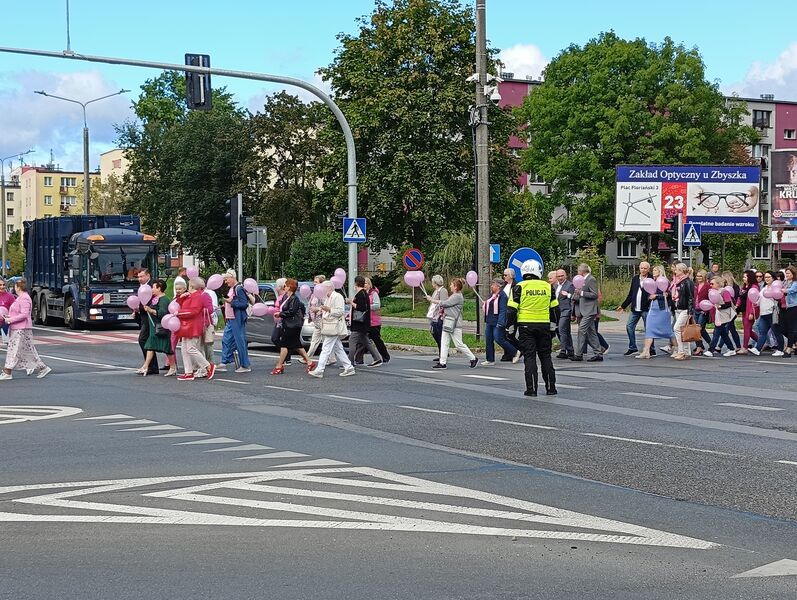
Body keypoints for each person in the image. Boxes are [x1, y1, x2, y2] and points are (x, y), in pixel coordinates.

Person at [506, 259, 559, 396]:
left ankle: (532, 389)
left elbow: (511, 310)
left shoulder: (518, 287)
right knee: (545, 356)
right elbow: (555, 309)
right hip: (544, 326)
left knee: (530, 357)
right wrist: (553, 327)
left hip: (526, 327)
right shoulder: (547, 287)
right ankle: (551, 388)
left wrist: (509, 329)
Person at [0, 279, 51, 380]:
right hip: (18, 327)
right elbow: (17, 312)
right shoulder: (20, 298)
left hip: (21, 328)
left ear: (18, 287)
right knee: (28, 350)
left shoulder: (24, 298)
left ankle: (7, 371)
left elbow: (24, 315)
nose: (14, 288)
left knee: (13, 350)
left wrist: (9, 320)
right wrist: (7, 316)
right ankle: (43, 367)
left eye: (15, 286)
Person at [308, 281, 356, 378]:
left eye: (323, 289)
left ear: (328, 288)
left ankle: (320, 370)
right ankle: (349, 367)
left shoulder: (337, 296)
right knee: (338, 348)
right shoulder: (328, 297)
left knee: (326, 348)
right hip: (330, 325)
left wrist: (328, 309)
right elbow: (327, 309)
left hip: (334, 326)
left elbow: (340, 311)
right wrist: (319, 309)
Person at [175, 277, 215, 381]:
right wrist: (181, 298)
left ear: (192, 286)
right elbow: (181, 306)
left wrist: (179, 313)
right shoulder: (192, 296)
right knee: (185, 349)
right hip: (187, 324)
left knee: (190, 348)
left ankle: (207, 366)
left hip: (193, 325)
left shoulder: (199, 296)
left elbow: (193, 311)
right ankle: (188, 372)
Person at [271, 279, 314, 374]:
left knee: (284, 345)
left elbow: (291, 311)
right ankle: (309, 362)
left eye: (285, 286)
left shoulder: (294, 298)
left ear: (289, 287)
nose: (284, 287)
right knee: (297, 345)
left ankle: (279, 365)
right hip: (289, 324)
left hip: (292, 325)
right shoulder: (287, 297)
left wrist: (280, 314)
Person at [433, 278, 477, 369]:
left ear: (456, 287)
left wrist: (432, 300)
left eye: (452, 285)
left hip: (455, 323)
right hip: (448, 321)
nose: (450, 286)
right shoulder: (454, 295)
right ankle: (442, 362)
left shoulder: (457, 296)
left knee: (458, 344)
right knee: (444, 342)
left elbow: (445, 303)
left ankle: (473, 358)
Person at [137, 280, 175, 375]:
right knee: (150, 347)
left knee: (167, 349)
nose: (151, 289)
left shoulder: (164, 299)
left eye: (153, 287)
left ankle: (173, 367)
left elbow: (163, 312)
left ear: (159, 288)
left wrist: (151, 310)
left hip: (161, 327)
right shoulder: (155, 298)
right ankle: (145, 366)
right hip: (154, 327)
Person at [635, 266, 674, 359]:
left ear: (660, 271)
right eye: (653, 270)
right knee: (649, 328)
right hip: (653, 308)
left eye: (655, 270)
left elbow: (667, 295)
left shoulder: (664, 281)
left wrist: (656, 296)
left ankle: (676, 347)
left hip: (662, 308)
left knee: (668, 330)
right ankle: (646, 351)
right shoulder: (652, 281)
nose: (653, 272)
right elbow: (648, 292)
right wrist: (650, 296)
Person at [217, 269, 252, 373]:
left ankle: (245, 365)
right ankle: (225, 361)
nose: (225, 282)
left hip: (236, 318)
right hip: (231, 318)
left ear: (232, 277)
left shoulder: (239, 288)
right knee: (226, 339)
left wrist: (231, 302)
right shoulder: (234, 288)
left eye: (227, 279)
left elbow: (244, 304)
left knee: (239, 341)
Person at [617, 261, 654, 356]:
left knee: (649, 329)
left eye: (645, 268)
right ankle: (632, 347)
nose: (643, 270)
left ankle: (651, 348)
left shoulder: (651, 279)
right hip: (635, 308)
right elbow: (631, 294)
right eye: (642, 268)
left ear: (648, 269)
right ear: (639, 268)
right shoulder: (635, 279)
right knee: (629, 326)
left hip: (646, 308)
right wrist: (623, 306)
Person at [347, 275, 382, 367]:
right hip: (363, 322)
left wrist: (351, 302)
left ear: (356, 284)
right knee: (366, 341)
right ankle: (377, 358)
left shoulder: (360, 294)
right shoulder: (364, 293)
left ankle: (349, 362)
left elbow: (361, 308)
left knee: (352, 340)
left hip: (359, 323)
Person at [571, 263, 602, 362]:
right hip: (583, 310)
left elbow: (594, 294)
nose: (577, 273)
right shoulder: (581, 281)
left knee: (582, 330)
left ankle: (578, 354)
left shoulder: (591, 279)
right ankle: (598, 353)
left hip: (590, 310)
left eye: (578, 271)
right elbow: (578, 295)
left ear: (582, 271)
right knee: (591, 332)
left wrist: (582, 293)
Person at [750, 271, 784, 357]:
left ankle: (780, 350)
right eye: (765, 277)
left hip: (772, 313)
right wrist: (756, 303)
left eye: (769, 277)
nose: (767, 279)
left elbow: (778, 298)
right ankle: (757, 349)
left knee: (776, 332)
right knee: (762, 332)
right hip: (763, 313)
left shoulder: (776, 287)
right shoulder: (764, 288)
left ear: (773, 278)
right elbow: (760, 299)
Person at [132, 268, 160, 375]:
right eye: (138, 277)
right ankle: (151, 366)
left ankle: (151, 366)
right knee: (147, 341)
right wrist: (136, 309)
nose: (139, 279)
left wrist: (144, 308)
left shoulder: (152, 285)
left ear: (148, 275)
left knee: (143, 340)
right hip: (143, 317)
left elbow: (152, 300)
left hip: (150, 317)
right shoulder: (142, 286)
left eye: (142, 276)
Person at [702, 275, 737, 358]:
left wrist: (720, 306)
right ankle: (731, 349)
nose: (711, 285)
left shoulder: (724, 292)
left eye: (712, 284)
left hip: (725, 315)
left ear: (718, 284)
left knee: (716, 332)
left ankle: (711, 350)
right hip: (718, 315)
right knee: (723, 333)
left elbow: (728, 304)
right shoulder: (712, 292)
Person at [304, 275, 331, 363]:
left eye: (316, 282)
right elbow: (310, 304)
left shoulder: (323, 295)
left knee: (321, 340)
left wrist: (317, 309)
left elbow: (326, 306)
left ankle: (307, 358)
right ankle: (331, 358)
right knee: (320, 340)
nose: (314, 283)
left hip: (322, 319)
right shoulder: (314, 294)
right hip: (316, 319)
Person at [670, 263, 694, 360]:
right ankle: (686, 351)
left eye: (676, 270)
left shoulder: (687, 282)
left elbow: (690, 297)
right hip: (678, 307)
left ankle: (681, 351)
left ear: (681, 271)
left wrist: (690, 311)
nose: (675, 272)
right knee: (683, 330)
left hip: (685, 309)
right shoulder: (678, 282)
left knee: (677, 328)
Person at [364, 277, 390, 364]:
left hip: (374, 321)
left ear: (369, 284)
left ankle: (385, 356)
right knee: (362, 340)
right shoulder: (362, 293)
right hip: (364, 321)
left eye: (366, 283)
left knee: (377, 340)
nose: (364, 285)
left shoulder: (373, 293)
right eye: (363, 283)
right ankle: (358, 359)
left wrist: (366, 306)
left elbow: (377, 305)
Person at [736, 270, 759, 355]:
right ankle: (761, 342)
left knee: (747, 329)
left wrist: (752, 313)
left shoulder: (754, 287)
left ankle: (745, 347)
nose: (743, 278)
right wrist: (737, 305)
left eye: (745, 277)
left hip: (750, 311)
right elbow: (740, 297)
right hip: (744, 310)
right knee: (748, 329)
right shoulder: (744, 286)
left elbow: (754, 302)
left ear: (750, 277)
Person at [554, 269, 575, 360]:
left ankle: (563, 350)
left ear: (565, 275)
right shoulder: (555, 286)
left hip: (566, 310)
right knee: (566, 332)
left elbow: (574, 299)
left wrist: (572, 313)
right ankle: (570, 350)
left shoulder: (570, 285)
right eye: (558, 276)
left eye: (562, 276)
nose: (560, 278)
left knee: (561, 329)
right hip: (557, 311)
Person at [424, 274, 448, 359]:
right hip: (433, 316)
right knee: (435, 334)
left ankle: (443, 355)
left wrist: (432, 300)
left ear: (435, 282)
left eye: (433, 282)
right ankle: (441, 353)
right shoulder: (436, 291)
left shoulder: (443, 291)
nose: (432, 283)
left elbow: (443, 302)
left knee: (439, 335)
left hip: (439, 317)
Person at [692, 269, 712, 355]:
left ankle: (707, 345)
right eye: (697, 276)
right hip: (695, 309)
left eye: (700, 276)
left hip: (703, 310)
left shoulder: (707, 286)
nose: (698, 278)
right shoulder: (695, 285)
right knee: (698, 329)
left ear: (704, 277)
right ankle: (701, 346)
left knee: (699, 329)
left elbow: (710, 298)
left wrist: (707, 309)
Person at [202, 281, 221, 364]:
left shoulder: (209, 293)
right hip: (203, 320)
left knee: (207, 342)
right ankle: (207, 363)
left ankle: (210, 363)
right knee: (205, 343)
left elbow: (212, 308)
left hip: (207, 321)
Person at [782, 266, 797, 357]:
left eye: (788, 273)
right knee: (783, 328)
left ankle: (789, 348)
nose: (786, 275)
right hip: (786, 307)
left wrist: (783, 290)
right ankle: (795, 342)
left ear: (793, 274)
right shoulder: (785, 282)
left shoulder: (795, 283)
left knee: (791, 328)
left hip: (794, 306)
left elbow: (791, 291)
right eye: (786, 273)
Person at [0, 278, 14, 346]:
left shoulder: (10, 296)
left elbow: (14, 308)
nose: (2, 287)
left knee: (7, 342)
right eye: (0, 285)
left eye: (3, 285)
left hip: (5, 322)